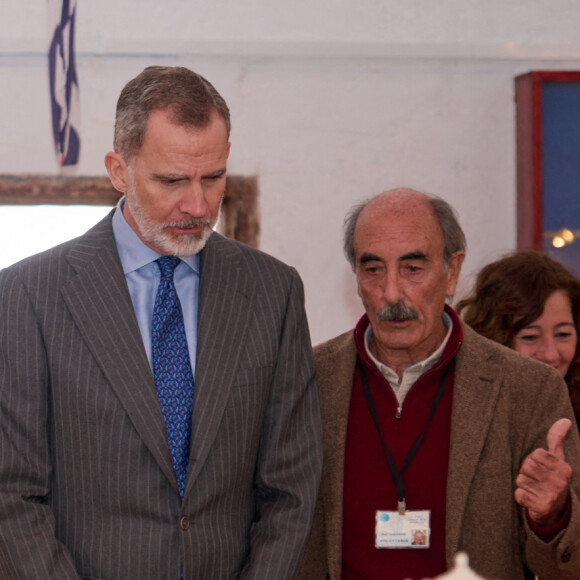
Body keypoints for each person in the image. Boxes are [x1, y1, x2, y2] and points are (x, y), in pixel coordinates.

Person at [0, 66, 322, 579]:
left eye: (213, 178)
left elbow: (291, 487)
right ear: (118, 170)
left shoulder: (273, 291)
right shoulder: (27, 295)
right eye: (172, 180)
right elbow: (12, 493)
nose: (197, 205)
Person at [298, 188, 580, 580]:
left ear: (452, 271)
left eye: (413, 268)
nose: (391, 293)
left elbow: (566, 568)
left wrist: (552, 515)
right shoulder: (305, 379)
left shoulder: (528, 390)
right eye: (373, 269)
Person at [457, 251, 580, 431]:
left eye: (563, 334)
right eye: (530, 337)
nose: (551, 354)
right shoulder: (466, 414)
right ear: (493, 338)